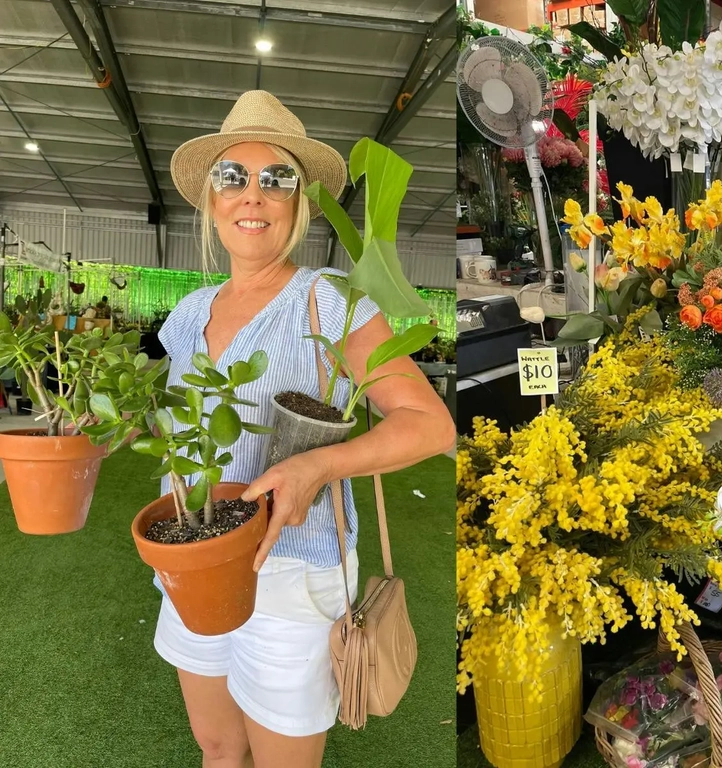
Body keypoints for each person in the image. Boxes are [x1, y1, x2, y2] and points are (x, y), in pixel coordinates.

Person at [158, 90, 455, 768]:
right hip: (194, 560)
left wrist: (316, 466)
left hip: (292, 570)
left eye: (276, 179)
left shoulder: (326, 301)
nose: (252, 195)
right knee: (217, 747)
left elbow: (429, 425)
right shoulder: (189, 311)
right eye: (233, 177)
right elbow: (183, 421)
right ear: (211, 199)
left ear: (297, 203)